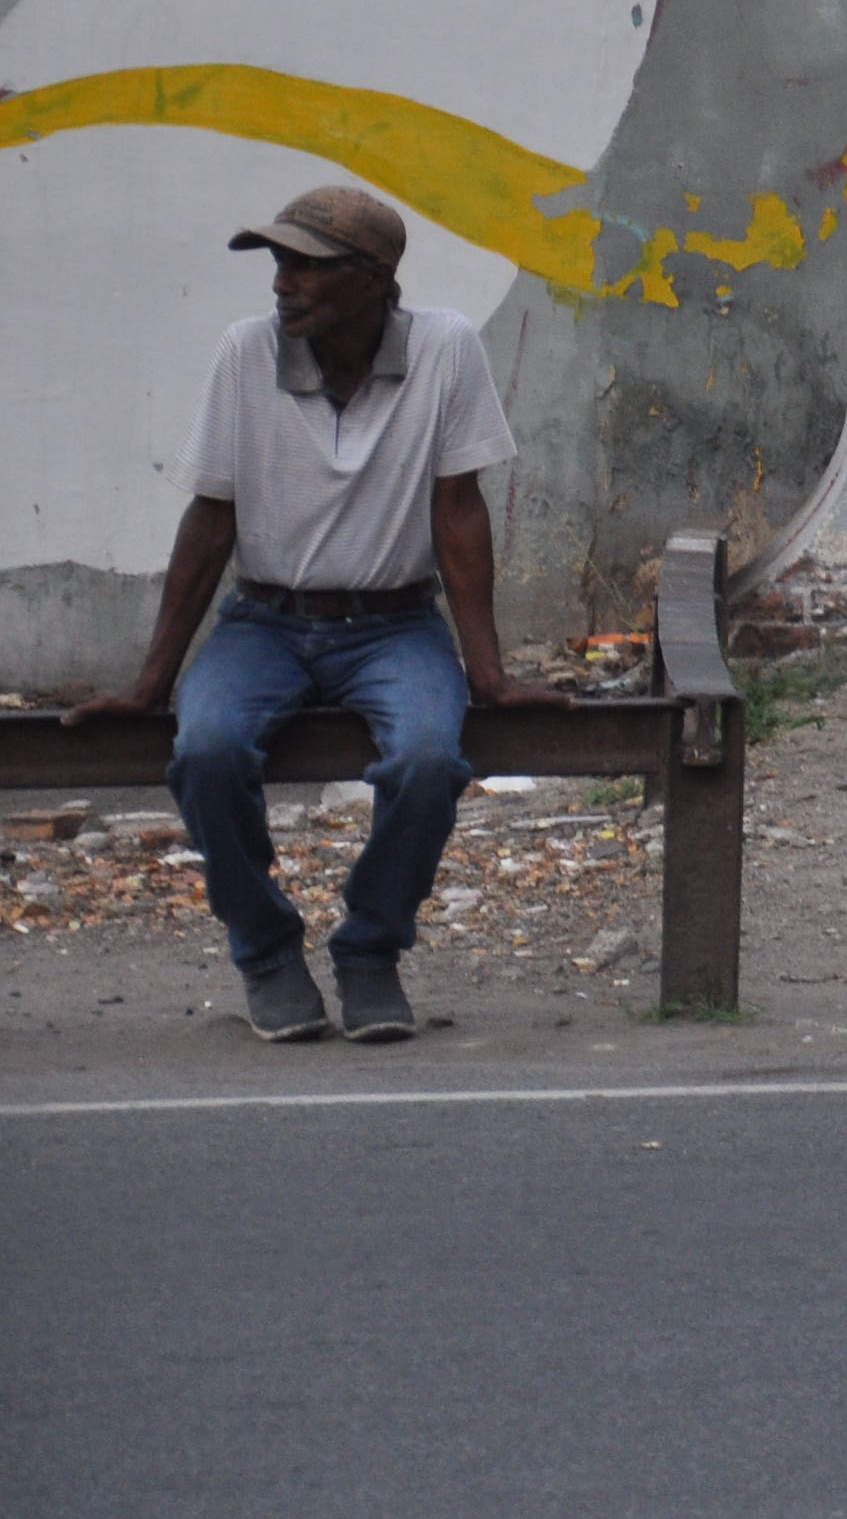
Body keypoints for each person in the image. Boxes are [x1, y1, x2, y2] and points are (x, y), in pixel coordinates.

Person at [69, 185, 561, 1043]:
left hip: (394, 627)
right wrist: (152, 684)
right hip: (264, 623)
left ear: (374, 279)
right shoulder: (246, 352)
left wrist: (488, 674)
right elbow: (211, 520)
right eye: (278, 262)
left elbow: (459, 513)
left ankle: (370, 951)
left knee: (428, 760)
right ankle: (266, 953)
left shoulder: (445, 348)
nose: (282, 283)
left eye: (306, 265)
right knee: (206, 750)